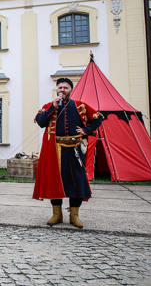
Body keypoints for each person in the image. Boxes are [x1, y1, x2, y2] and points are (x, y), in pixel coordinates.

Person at [33, 77, 102, 228]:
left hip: (75, 149)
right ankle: (57, 214)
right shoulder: (49, 106)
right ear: (56, 90)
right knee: (55, 181)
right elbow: (41, 122)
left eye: (65, 88)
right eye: (60, 88)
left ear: (71, 90)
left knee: (76, 181)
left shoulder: (80, 106)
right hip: (55, 151)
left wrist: (86, 130)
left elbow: (98, 119)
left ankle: (74, 215)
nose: (62, 90)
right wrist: (53, 107)